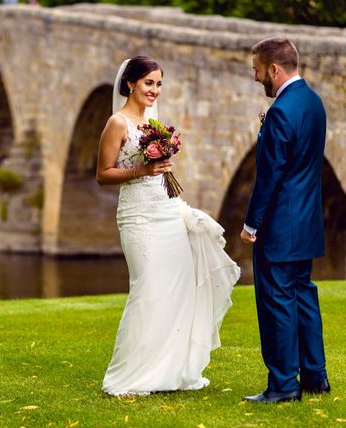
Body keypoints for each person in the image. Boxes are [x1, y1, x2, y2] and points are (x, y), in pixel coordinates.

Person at [97, 56, 240, 397]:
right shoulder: (117, 123)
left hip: (166, 211)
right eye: (149, 83)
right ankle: (131, 374)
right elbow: (103, 175)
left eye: (159, 84)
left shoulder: (153, 121)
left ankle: (170, 370)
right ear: (130, 83)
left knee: (175, 289)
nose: (155, 90)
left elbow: (159, 171)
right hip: (138, 217)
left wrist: (162, 164)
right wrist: (141, 171)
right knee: (147, 288)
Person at [241, 37, 330, 404]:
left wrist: (251, 224)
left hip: (279, 225)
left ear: (274, 70)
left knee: (277, 301)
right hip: (307, 221)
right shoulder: (313, 101)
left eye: (258, 71)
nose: (256, 77)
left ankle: (283, 384)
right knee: (304, 297)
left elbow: (270, 175)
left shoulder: (280, 111)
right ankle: (315, 377)